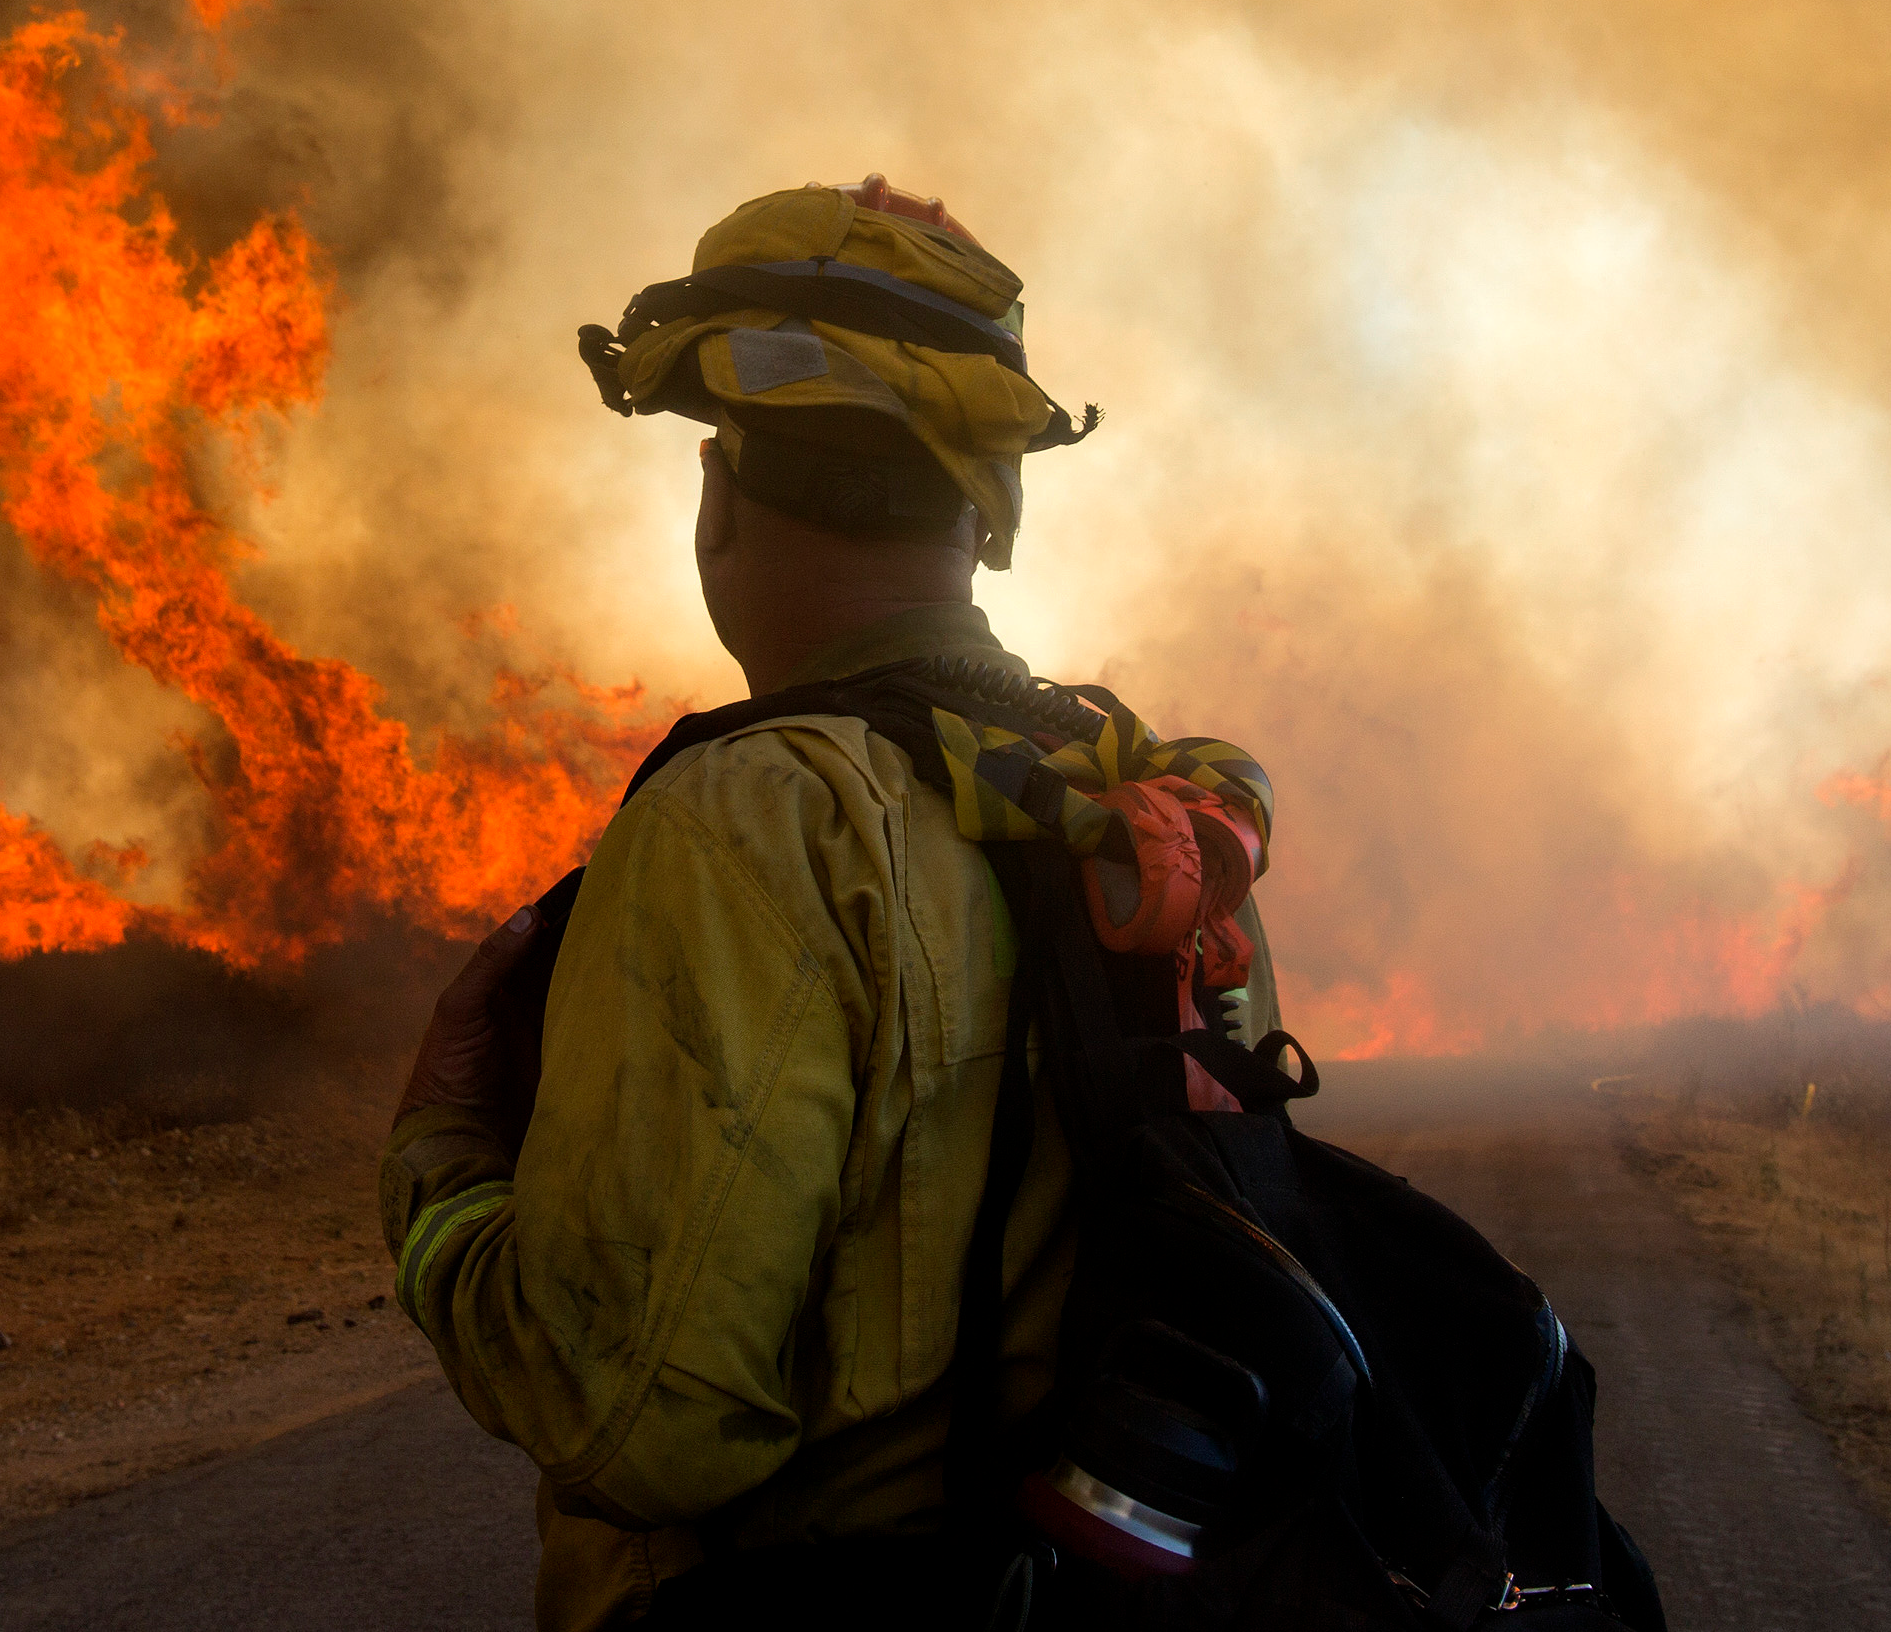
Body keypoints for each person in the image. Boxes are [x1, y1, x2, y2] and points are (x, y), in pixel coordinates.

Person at [379, 178, 1282, 1631]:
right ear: (990, 508)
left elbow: (639, 1418)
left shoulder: (756, 818)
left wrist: (443, 1171)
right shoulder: (1146, 828)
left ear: (719, 493)